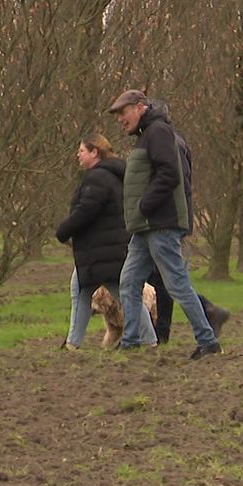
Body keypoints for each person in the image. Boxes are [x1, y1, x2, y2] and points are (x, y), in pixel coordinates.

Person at [108, 89, 221, 359]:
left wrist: (145, 205)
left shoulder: (157, 132)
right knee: (129, 282)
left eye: (123, 113)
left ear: (139, 107)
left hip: (160, 223)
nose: (120, 120)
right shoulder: (146, 136)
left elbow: (169, 174)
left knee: (176, 283)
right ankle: (131, 340)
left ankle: (208, 341)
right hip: (145, 226)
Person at [54, 133, 150, 349]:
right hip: (104, 249)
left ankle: (149, 339)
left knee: (125, 295)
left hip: (101, 252)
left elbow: (86, 211)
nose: (77, 155)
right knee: (81, 290)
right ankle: (72, 343)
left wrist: (63, 230)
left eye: (81, 151)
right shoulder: (114, 175)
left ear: (94, 152)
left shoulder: (98, 178)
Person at [146, 101, 230, 344]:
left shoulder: (168, 143)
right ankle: (162, 330)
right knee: (163, 277)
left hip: (168, 220)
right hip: (171, 218)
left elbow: (175, 181)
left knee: (170, 278)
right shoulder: (175, 141)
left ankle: (197, 320)